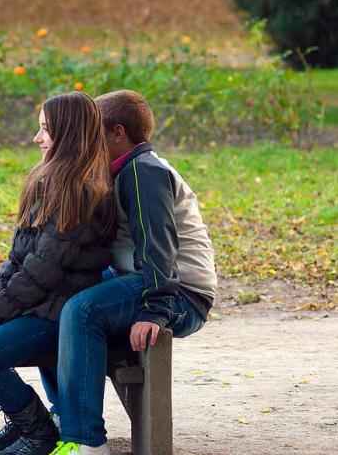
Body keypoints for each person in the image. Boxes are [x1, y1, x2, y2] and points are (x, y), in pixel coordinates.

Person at [0, 92, 116, 455]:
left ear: (68, 135)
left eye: (45, 130)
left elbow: (43, 273)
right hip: (38, 304)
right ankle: (29, 418)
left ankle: (38, 431)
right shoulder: (49, 182)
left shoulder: (82, 193)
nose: (37, 138)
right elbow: (18, 260)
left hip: (58, 314)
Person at [49, 90, 217, 455]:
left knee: (82, 310)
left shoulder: (145, 172)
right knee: (55, 300)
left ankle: (85, 441)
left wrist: (155, 309)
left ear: (118, 133)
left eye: (95, 132)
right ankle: (65, 415)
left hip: (179, 292)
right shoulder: (123, 170)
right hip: (146, 282)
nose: (88, 141)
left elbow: (159, 248)